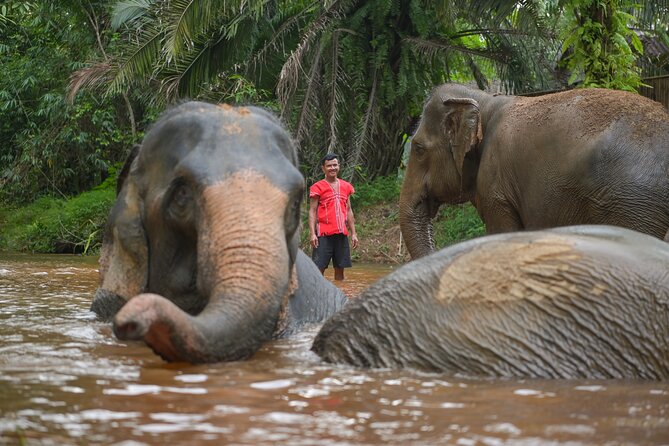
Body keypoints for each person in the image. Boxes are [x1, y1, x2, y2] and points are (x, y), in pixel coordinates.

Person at [309, 153, 358, 280]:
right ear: (323, 169)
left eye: (335, 165)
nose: (332, 168)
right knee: (318, 270)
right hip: (323, 235)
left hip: (341, 234)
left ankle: (340, 294)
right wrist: (312, 234)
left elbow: (348, 210)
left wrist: (354, 233)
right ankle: (317, 297)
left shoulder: (346, 186)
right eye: (329, 166)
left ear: (339, 166)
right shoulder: (317, 187)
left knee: (340, 272)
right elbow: (312, 211)